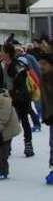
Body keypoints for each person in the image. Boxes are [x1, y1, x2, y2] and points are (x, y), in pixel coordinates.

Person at [0, 43, 34, 157]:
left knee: (24, 121)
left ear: (7, 53)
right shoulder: (2, 65)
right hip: (9, 98)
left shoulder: (17, 66)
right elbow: (0, 81)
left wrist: (12, 93)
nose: (0, 53)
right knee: (9, 122)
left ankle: (28, 144)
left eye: (2, 51)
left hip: (21, 99)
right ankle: (7, 146)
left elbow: (21, 86)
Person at [38, 53, 53, 184]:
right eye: (40, 63)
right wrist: (46, 115)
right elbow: (44, 99)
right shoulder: (43, 77)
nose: (41, 66)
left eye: (44, 64)